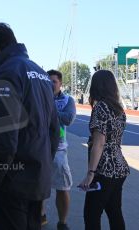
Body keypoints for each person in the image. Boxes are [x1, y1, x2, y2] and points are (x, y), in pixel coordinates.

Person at [0, 23, 60, 230]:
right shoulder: (40, 72)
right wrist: (42, 164)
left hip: (11, 184)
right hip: (38, 178)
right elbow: (54, 130)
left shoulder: (5, 74)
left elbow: (4, 140)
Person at [78, 70, 130, 230]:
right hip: (119, 167)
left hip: (104, 170)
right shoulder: (118, 109)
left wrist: (90, 173)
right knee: (114, 211)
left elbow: (99, 142)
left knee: (91, 214)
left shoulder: (100, 107)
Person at [41, 70, 76, 230]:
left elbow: (68, 119)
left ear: (60, 83)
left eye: (54, 81)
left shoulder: (68, 100)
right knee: (40, 186)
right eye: (48, 81)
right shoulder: (39, 96)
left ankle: (62, 222)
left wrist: (48, 110)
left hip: (59, 151)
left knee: (63, 188)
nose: (50, 84)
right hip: (39, 148)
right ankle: (40, 216)